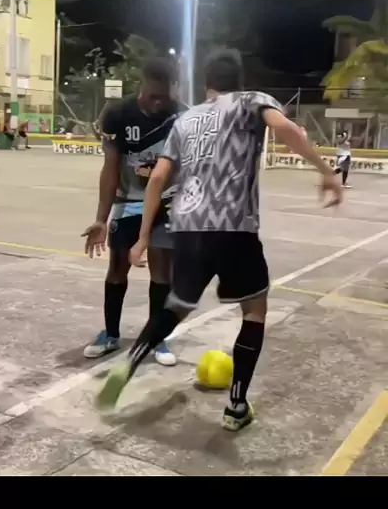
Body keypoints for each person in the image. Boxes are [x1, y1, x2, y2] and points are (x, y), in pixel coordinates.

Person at [96, 50, 343, 430]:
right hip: (233, 228)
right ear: (239, 81)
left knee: (177, 305)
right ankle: (237, 406)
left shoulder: (187, 119)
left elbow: (157, 178)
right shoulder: (252, 101)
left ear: (207, 84)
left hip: (187, 229)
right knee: (254, 310)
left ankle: (130, 363)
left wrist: (143, 237)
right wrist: (326, 170)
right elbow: (288, 130)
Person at [82, 58, 179, 366]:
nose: (158, 102)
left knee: (162, 272)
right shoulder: (117, 114)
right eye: (153, 96)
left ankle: (156, 338)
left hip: (166, 204)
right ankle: (111, 334)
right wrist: (101, 218)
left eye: (164, 96)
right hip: (128, 203)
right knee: (117, 270)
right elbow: (110, 168)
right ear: (142, 85)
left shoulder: (181, 116)